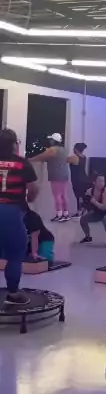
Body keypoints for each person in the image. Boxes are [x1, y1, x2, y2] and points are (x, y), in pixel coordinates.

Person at [0, 128, 39, 305]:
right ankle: (13, 294)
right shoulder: (22, 163)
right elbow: (33, 189)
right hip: (11, 212)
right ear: (14, 144)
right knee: (15, 255)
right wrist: (29, 200)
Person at [29, 132, 70, 221]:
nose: (50, 141)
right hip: (65, 174)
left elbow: (41, 157)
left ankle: (59, 215)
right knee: (64, 195)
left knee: (57, 195)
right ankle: (66, 214)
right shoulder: (63, 149)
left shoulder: (53, 149)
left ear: (54, 140)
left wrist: (30, 160)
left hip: (56, 175)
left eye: (51, 139)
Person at [79, 174, 106, 246]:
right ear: (94, 182)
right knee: (82, 219)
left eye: (103, 181)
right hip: (97, 212)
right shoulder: (90, 191)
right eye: (100, 181)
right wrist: (83, 208)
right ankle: (88, 237)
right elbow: (85, 202)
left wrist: (94, 202)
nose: (102, 183)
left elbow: (104, 207)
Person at [68, 142, 89, 217]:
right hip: (84, 178)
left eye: (74, 148)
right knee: (82, 196)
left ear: (76, 149)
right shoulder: (84, 157)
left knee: (78, 196)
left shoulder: (75, 158)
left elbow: (64, 160)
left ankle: (79, 212)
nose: (73, 149)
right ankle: (82, 211)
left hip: (77, 180)